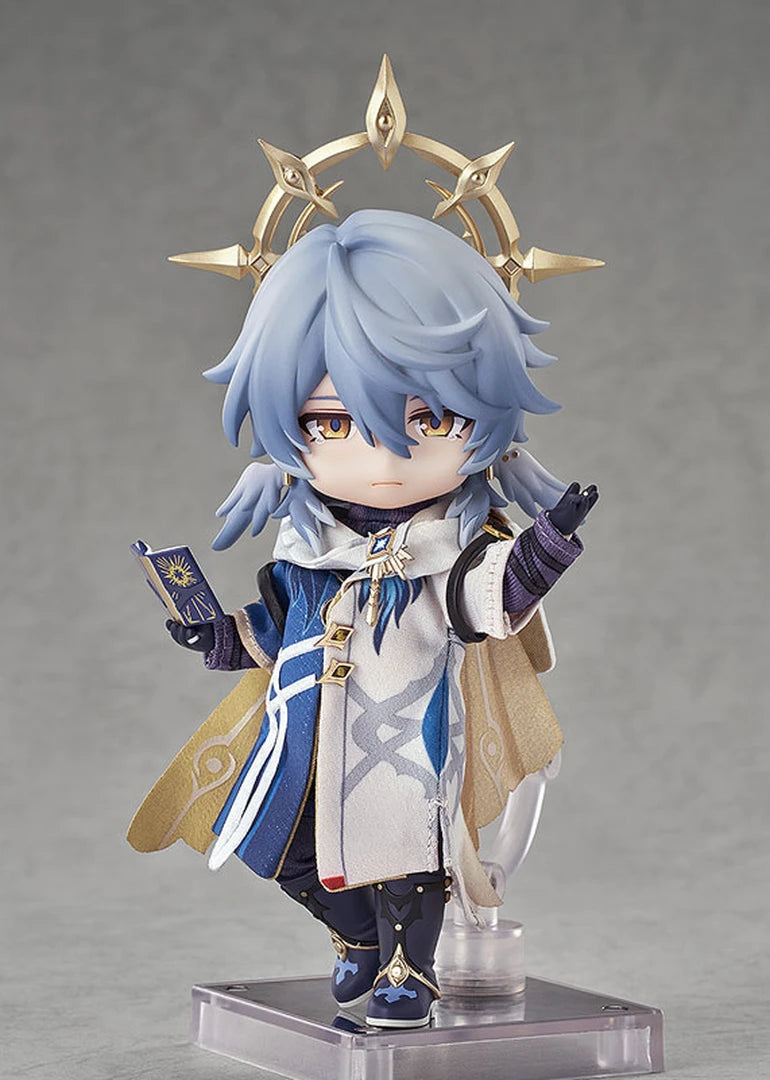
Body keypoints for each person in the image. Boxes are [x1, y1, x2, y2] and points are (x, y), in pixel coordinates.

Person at [162, 208, 598, 1028]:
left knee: (408, 859)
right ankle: (358, 938)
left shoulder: (445, 548)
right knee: (280, 844)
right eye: (332, 424)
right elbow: (278, 624)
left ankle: (409, 968)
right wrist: (218, 635)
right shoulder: (309, 547)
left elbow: (489, 597)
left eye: (429, 420)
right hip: (305, 732)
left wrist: (548, 543)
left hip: (407, 730)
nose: (384, 457)